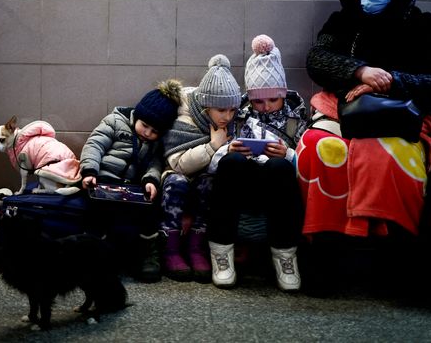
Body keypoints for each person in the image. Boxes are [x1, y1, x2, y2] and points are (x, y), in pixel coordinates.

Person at [297, 0, 431, 292]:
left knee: (386, 157)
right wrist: (359, 71)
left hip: (402, 117)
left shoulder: (424, 25)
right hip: (341, 112)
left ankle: (391, 262)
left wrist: (391, 80)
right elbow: (317, 59)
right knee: (316, 148)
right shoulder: (342, 22)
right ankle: (325, 257)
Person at [206, 35, 307, 291]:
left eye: (273, 99)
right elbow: (213, 164)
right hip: (240, 181)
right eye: (258, 101)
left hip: (278, 184)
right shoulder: (236, 113)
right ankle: (221, 256)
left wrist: (287, 154)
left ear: (283, 93)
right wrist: (229, 148)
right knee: (232, 162)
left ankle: (286, 258)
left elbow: (307, 166)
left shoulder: (298, 117)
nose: (265, 107)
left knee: (280, 166)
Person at [79, 79, 183, 283]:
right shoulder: (115, 121)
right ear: (137, 115)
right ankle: (93, 255)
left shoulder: (154, 143)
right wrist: (89, 171)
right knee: (97, 210)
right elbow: (95, 145)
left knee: (150, 210)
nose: (148, 133)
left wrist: (150, 180)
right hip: (102, 178)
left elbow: (155, 163)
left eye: (155, 132)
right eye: (145, 126)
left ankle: (147, 256)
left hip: (132, 187)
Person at [160, 55, 241, 282]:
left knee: (209, 183)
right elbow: (178, 163)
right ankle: (171, 250)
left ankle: (197, 249)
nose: (227, 117)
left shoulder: (230, 121)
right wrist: (214, 145)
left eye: (233, 110)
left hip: (205, 177)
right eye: (221, 110)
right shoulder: (184, 116)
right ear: (205, 106)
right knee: (176, 182)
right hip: (177, 176)